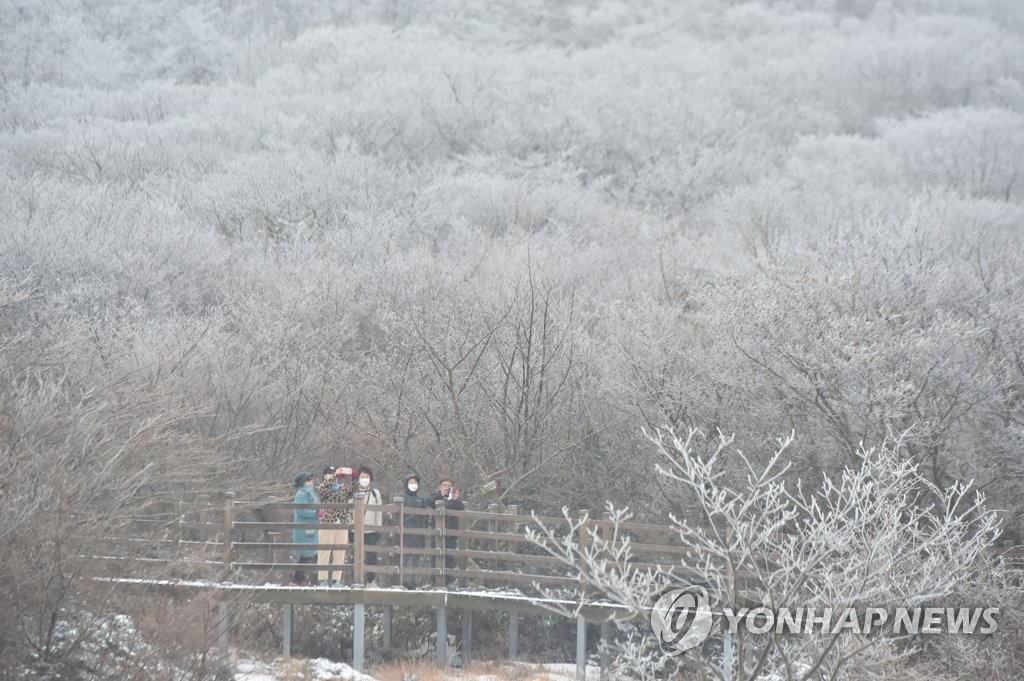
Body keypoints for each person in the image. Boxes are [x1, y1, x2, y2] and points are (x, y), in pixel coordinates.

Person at [315, 465, 355, 586]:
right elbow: (321, 491)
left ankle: (337, 579)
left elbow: (355, 490)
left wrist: (355, 475)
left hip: (341, 523)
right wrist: (333, 477)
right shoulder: (322, 487)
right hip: (327, 523)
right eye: (329, 474)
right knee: (324, 552)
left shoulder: (342, 488)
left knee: (340, 552)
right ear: (324, 476)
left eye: (334, 474)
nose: (333, 476)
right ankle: (322, 580)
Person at [428, 477, 465, 586]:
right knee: (435, 559)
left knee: (450, 560)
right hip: (436, 533)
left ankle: (448, 583)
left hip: (451, 534)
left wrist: (456, 499)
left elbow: (461, 508)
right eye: (444, 485)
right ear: (439, 487)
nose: (446, 487)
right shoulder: (434, 497)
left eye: (449, 485)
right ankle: (435, 583)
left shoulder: (453, 499)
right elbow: (429, 502)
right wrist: (440, 495)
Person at [356, 465, 384, 584]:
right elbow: (348, 510)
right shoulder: (352, 491)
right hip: (356, 529)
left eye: (366, 477)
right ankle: (356, 580)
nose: (364, 479)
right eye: (362, 476)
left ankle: (371, 581)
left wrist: (378, 528)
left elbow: (379, 510)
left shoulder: (375, 493)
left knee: (372, 556)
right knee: (355, 556)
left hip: (371, 530)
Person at [291, 473, 319, 585]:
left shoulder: (311, 492)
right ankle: (297, 579)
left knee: (309, 553)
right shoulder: (300, 494)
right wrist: (316, 513)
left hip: (311, 527)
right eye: (309, 480)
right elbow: (302, 511)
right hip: (303, 527)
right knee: (305, 552)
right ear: (303, 482)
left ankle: (300, 577)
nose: (312, 481)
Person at [401, 472, 428, 589]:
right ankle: (403, 581)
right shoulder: (402, 498)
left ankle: (414, 582)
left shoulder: (420, 499)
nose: (413, 484)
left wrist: (423, 529)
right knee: (404, 558)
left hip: (418, 535)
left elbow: (425, 517)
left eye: (415, 482)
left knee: (416, 560)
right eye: (411, 482)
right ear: (406, 484)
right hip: (405, 534)